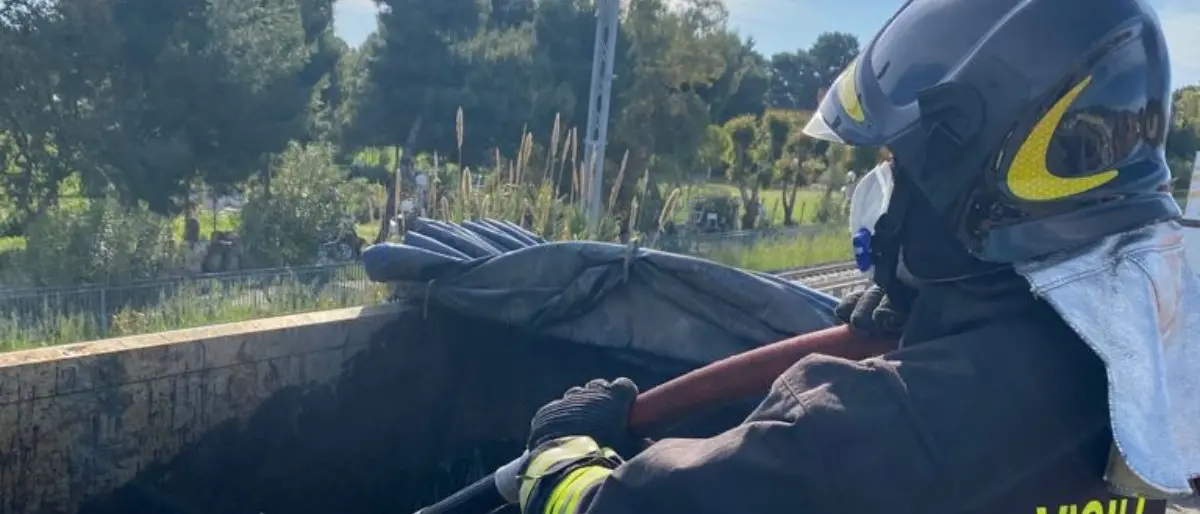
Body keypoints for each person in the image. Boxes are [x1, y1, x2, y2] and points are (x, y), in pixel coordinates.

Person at [514, 1, 1199, 513]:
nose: (886, 192)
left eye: (899, 166)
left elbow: (616, 507)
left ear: (963, 191)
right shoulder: (1156, 373)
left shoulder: (856, 428)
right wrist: (933, 312)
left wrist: (562, 451)